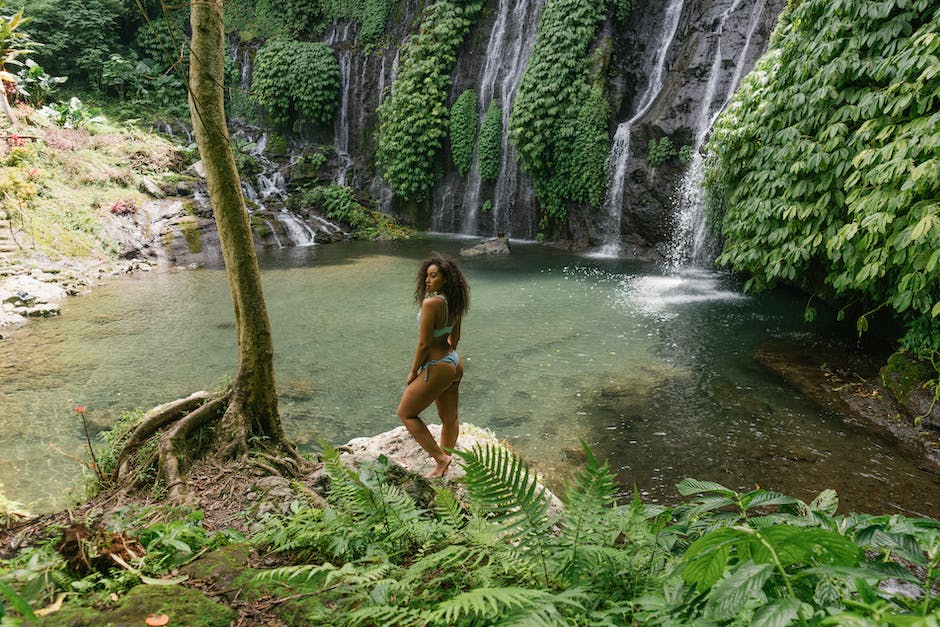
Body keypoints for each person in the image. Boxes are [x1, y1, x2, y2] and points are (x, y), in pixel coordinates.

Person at [397, 253, 470, 477]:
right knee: (449, 419)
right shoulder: (454, 301)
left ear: (445, 278)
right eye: (426, 276)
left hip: (438, 365)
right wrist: (448, 358)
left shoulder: (431, 303)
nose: (427, 280)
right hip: (453, 362)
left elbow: (424, 344)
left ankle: (440, 459)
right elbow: (455, 336)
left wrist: (414, 370)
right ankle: (447, 460)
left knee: (406, 413)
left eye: (434, 276)